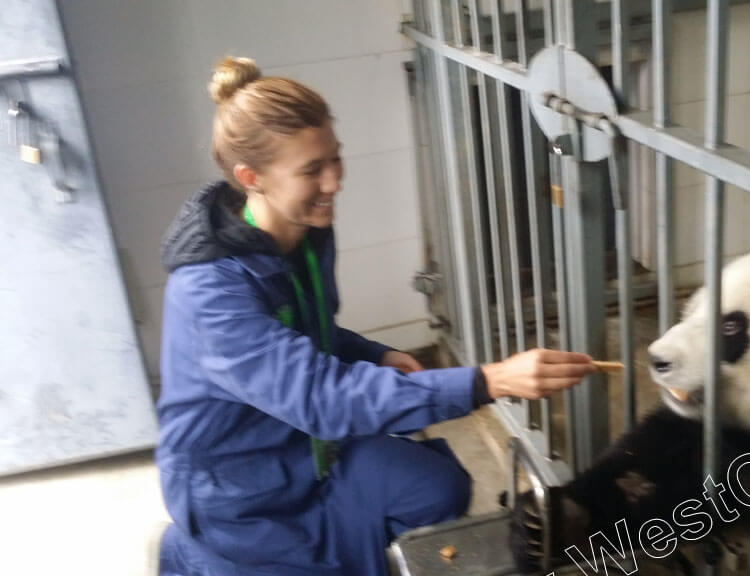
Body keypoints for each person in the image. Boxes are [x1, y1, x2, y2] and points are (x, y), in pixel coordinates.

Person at [153, 57, 596, 576]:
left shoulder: (305, 231)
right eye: (312, 170)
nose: (334, 182)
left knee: (437, 487)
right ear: (252, 178)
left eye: (334, 159)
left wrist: (373, 353)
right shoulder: (209, 292)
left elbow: (304, 332)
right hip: (237, 491)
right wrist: (488, 381)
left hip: (305, 448)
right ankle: (194, 554)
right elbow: (323, 397)